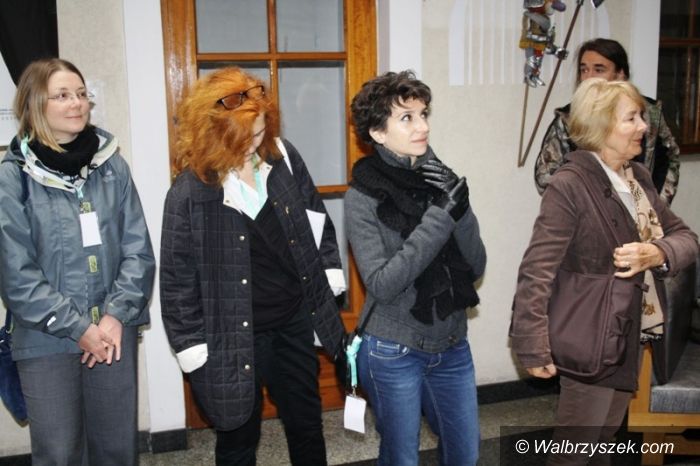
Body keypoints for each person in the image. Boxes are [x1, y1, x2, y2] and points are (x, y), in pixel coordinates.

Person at [160, 67, 346, 466]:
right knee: (238, 439)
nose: (252, 146)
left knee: (307, 425)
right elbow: (177, 281)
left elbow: (317, 219)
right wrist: (193, 348)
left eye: (259, 134)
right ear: (213, 132)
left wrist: (330, 272)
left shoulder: (282, 157)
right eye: (241, 138)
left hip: (293, 321)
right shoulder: (189, 192)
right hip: (231, 336)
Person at [511, 78, 698, 465]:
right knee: (574, 451)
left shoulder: (638, 179)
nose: (644, 126)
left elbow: (687, 238)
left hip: (631, 333)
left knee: (603, 439)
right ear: (600, 126)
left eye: (641, 117)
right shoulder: (569, 185)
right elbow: (537, 270)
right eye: (631, 118)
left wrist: (656, 252)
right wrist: (531, 344)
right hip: (590, 336)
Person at [0, 58, 155, 465]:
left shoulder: (112, 166)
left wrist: (115, 315)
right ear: (34, 104)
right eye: (63, 95)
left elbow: (138, 250)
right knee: (59, 453)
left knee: (116, 449)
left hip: (112, 333)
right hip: (46, 338)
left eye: (82, 94)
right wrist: (78, 327)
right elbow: (16, 275)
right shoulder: (13, 177)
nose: (77, 103)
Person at [345, 70, 486, 466]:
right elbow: (383, 283)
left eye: (423, 114)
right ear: (378, 132)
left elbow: (476, 265)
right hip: (393, 351)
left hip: (452, 343)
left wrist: (460, 208)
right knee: (401, 458)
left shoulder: (439, 178)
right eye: (406, 118)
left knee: (466, 454)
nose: (422, 126)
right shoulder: (361, 196)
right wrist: (441, 216)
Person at [534, 38, 681, 204]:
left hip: (640, 212)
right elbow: (545, 177)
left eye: (599, 69)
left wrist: (657, 204)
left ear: (620, 74)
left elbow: (670, 157)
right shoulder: (569, 118)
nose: (589, 77)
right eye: (584, 70)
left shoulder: (649, 114)